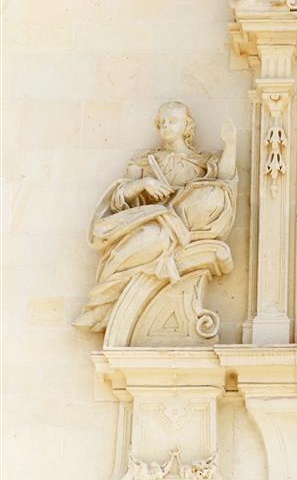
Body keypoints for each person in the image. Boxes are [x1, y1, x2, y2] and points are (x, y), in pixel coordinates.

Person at [73, 101, 237, 332]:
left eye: (172, 121)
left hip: (183, 221)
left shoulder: (202, 161)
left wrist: (230, 145)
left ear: (186, 126)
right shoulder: (145, 161)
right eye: (162, 123)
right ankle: (102, 304)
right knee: (148, 238)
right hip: (152, 221)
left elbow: (224, 183)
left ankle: (103, 307)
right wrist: (144, 183)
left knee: (211, 195)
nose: (166, 126)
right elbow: (120, 199)